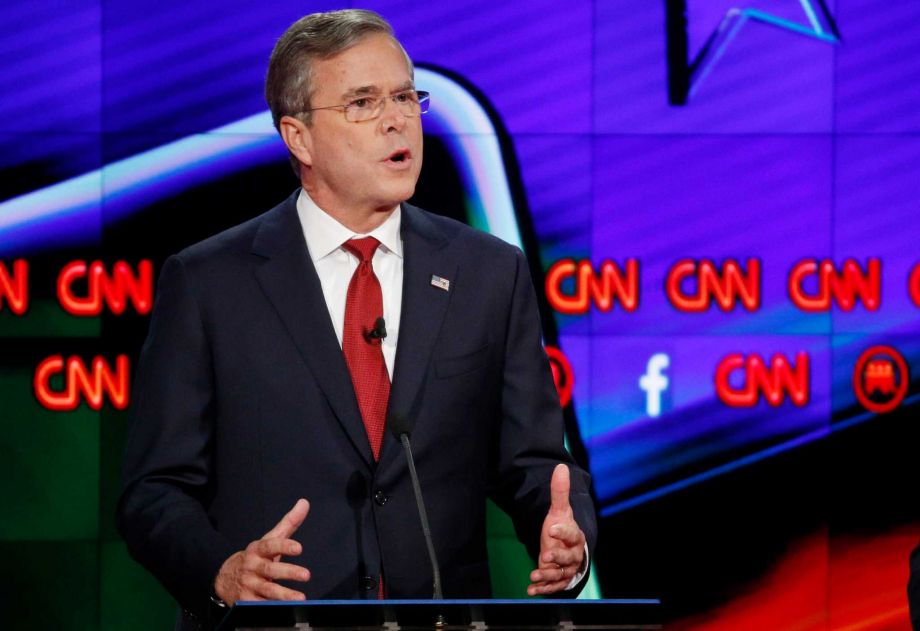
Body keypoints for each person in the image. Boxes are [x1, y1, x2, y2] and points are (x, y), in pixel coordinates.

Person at [117, 9, 597, 630]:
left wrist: (568, 537)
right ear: (299, 138)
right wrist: (221, 571)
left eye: (404, 96)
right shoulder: (210, 282)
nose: (397, 119)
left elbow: (534, 464)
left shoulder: (488, 273)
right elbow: (152, 492)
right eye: (363, 103)